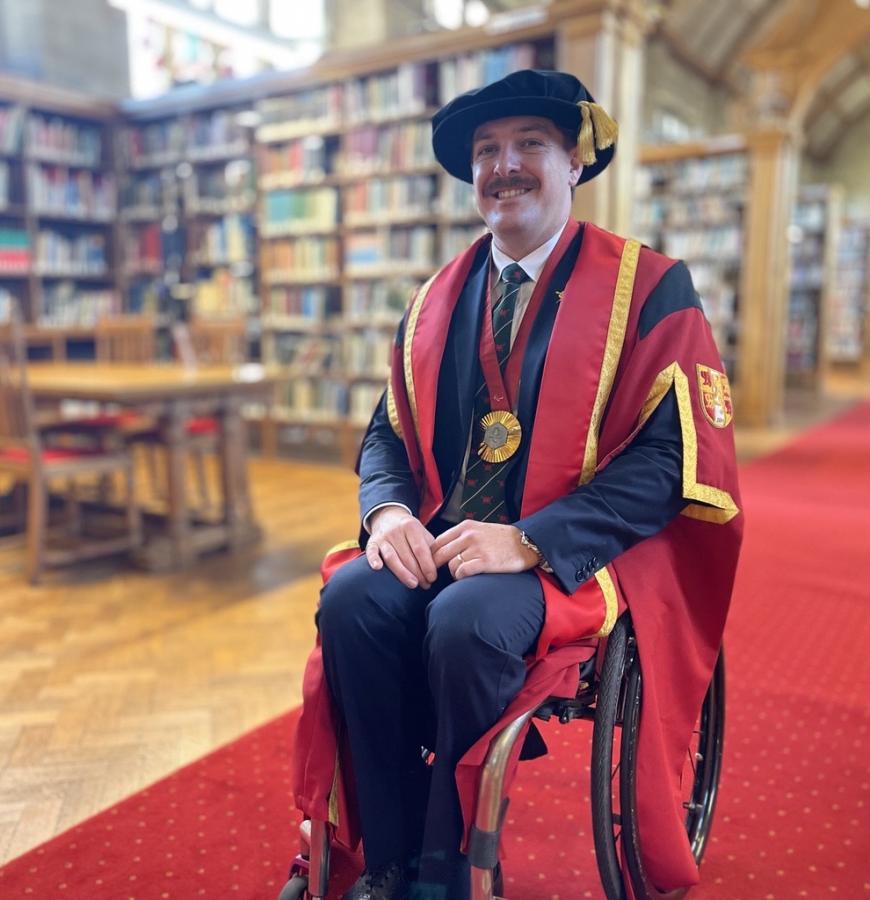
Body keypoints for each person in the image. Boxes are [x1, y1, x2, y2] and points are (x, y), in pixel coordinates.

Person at [291, 69, 742, 900]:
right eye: (487, 151)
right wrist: (388, 511)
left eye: (530, 144)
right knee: (353, 602)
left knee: (467, 622)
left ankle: (447, 867)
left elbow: (674, 460)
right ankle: (386, 859)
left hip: (569, 553)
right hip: (443, 536)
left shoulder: (649, 290)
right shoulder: (434, 299)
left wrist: (531, 539)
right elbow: (388, 430)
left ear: (575, 161)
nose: (505, 166)